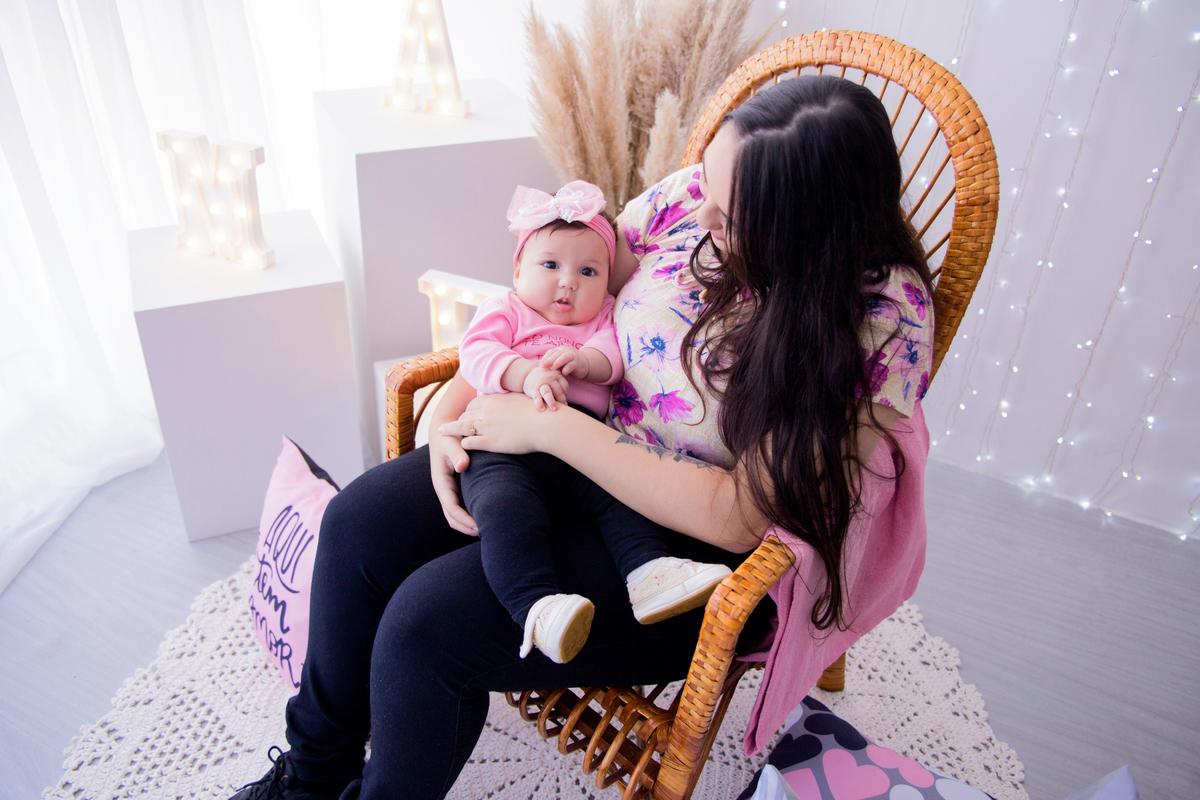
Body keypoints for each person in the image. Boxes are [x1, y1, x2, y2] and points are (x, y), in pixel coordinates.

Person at [230, 74, 933, 800]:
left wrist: (549, 428)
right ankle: (311, 779)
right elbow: (567, 287)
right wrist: (455, 413)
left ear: (805, 235)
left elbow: (738, 516)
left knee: (426, 625)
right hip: (570, 443)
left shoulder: (881, 324)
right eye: (710, 189)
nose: (703, 216)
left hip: (687, 549)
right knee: (359, 523)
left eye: (729, 217)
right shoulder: (700, 197)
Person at [457, 179, 731, 665]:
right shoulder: (507, 309)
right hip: (504, 451)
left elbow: (613, 359)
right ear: (517, 269)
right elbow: (476, 353)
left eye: (588, 271)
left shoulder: (603, 314)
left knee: (620, 500)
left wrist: (585, 363)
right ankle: (537, 607)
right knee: (506, 514)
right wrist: (524, 374)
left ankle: (650, 572)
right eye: (550, 265)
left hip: (584, 446)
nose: (568, 282)